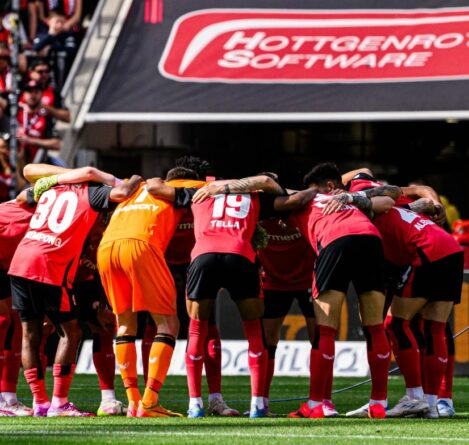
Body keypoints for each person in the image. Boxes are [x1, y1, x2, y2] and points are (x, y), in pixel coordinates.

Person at [150, 174, 316, 418]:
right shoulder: (255, 196)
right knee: (254, 332)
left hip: (203, 257)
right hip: (240, 256)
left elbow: (155, 187)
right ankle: (258, 405)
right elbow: (297, 199)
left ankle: (195, 405)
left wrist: (196, 185)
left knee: (196, 331)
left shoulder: (198, 192)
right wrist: (315, 190)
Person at [9, 163, 141, 417]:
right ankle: (59, 404)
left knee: (30, 334)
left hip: (22, 261)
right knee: (70, 333)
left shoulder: (48, 188)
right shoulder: (92, 193)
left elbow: (23, 192)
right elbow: (123, 192)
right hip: (51, 265)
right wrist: (134, 178)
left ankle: (40, 403)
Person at [344, 170, 463, 419]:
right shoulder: (398, 199)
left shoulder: (361, 200)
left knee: (396, 324)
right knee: (435, 328)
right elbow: (420, 193)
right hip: (450, 247)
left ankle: (414, 397)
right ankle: (432, 404)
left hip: (424, 251)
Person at [284, 163, 396, 419]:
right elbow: (385, 198)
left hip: (335, 240)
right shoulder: (351, 201)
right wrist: (344, 192)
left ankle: (316, 404)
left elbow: (270, 187)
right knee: (375, 326)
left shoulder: (301, 199)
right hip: (371, 239)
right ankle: (379, 403)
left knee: (325, 328)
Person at [97, 167, 204, 418]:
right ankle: (149, 402)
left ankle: (133, 402)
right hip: (141, 245)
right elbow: (218, 187)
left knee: (125, 324)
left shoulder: (133, 185)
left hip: (106, 247)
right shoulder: (184, 184)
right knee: (168, 324)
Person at [143, 161, 239, 417]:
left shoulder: (175, 194)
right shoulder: (197, 193)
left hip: (187, 266)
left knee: (162, 329)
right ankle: (211, 399)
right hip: (175, 267)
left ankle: (148, 398)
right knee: (203, 330)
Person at [17, 79, 60, 164]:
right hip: (16, 163)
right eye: (29, 92)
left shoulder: (46, 117)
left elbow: (57, 144)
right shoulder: (16, 112)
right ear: (24, 94)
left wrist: (30, 140)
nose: (33, 95)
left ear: (42, 94)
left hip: (38, 163)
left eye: (36, 92)